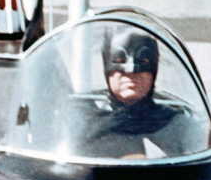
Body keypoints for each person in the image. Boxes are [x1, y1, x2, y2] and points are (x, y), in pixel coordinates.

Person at [84, 28, 196, 158]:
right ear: (107, 69)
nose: (131, 72)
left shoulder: (179, 126)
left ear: (154, 70)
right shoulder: (83, 123)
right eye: (119, 61)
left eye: (143, 62)